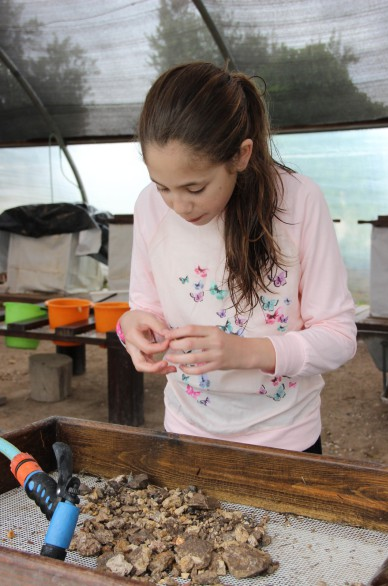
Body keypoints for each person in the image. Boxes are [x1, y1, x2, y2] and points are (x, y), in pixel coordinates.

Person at [117, 61, 357, 454]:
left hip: (284, 438)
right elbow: (143, 308)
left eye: (195, 187)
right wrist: (131, 329)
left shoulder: (299, 201)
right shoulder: (149, 207)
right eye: (162, 186)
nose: (178, 205)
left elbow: (339, 336)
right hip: (186, 429)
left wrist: (244, 352)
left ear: (241, 155)